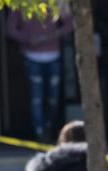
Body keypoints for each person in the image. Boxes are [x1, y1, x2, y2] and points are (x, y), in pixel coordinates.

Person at [6, 6, 73, 143]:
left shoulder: (55, 3)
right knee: (36, 98)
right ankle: (40, 131)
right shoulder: (21, 4)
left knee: (53, 98)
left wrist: (52, 35)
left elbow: (69, 24)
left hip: (53, 54)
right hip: (32, 56)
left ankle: (49, 127)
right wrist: (27, 38)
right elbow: (11, 29)